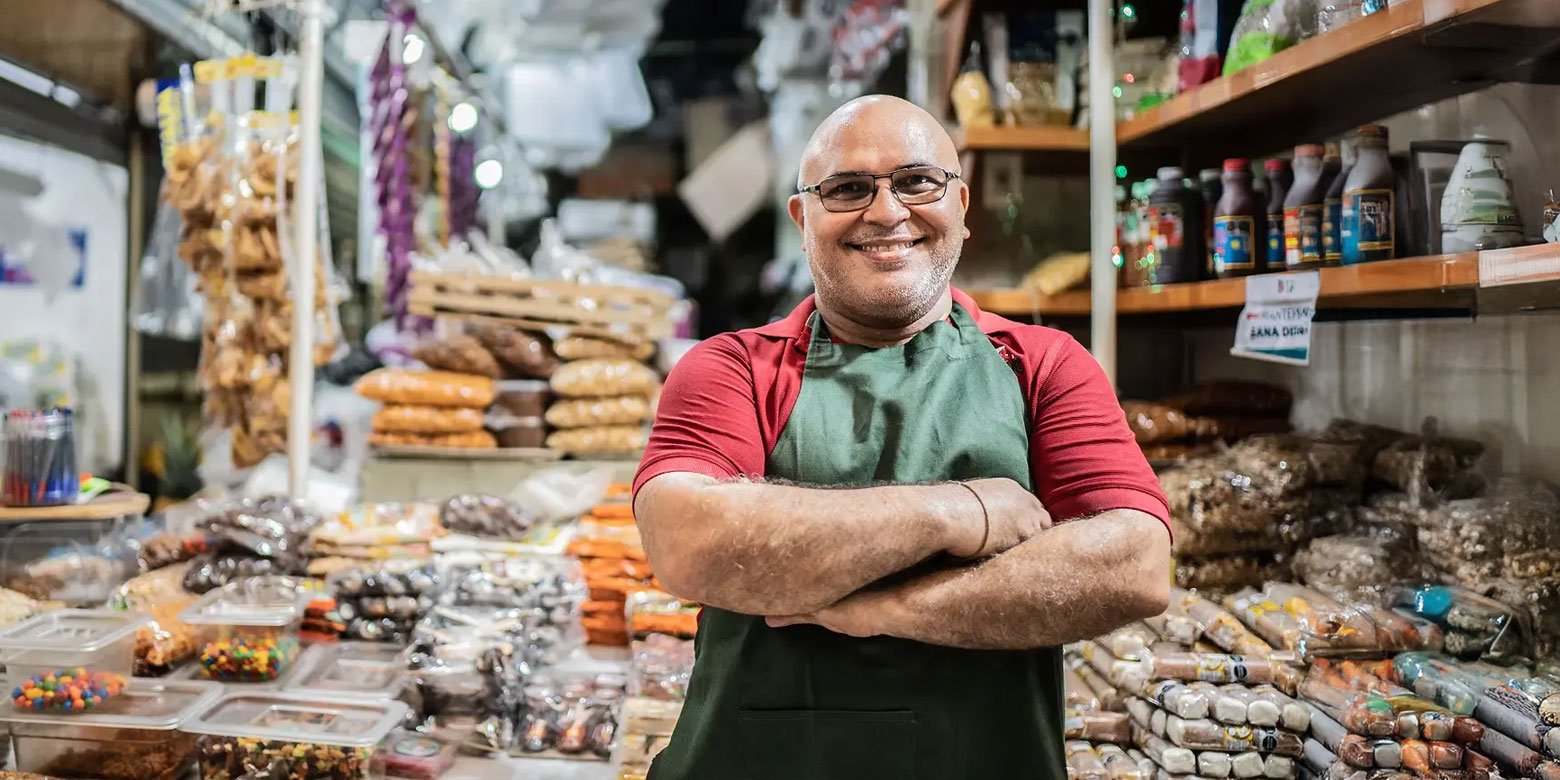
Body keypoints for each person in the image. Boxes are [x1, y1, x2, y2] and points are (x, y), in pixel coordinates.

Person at [633, 95, 1172, 778]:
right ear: (803, 219)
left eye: (918, 181)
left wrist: (886, 607)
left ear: (962, 206)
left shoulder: (1043, 365)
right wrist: (964, 511)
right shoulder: (730, 367)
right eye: (848, 189)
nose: (887, 212)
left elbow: (1136, 565)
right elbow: (690, 543)